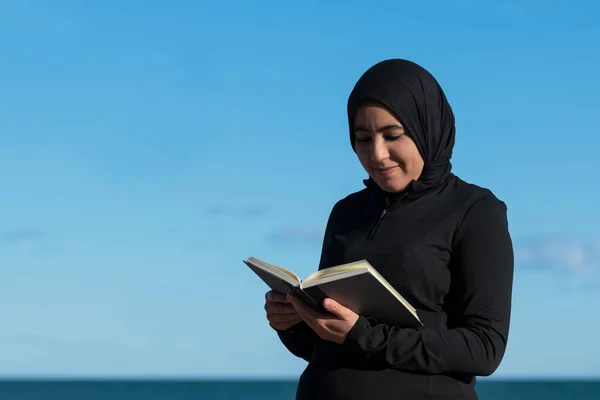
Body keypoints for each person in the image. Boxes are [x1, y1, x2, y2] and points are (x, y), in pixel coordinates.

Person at [263, 59, 514, 400]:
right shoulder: (346, 212)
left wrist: (362, 335)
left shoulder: (475, 210)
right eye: (363, 138)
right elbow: (328, 344)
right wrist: (293, 322)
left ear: (426, 127)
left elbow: (484, 348)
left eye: (392, 135)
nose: (377, 154)